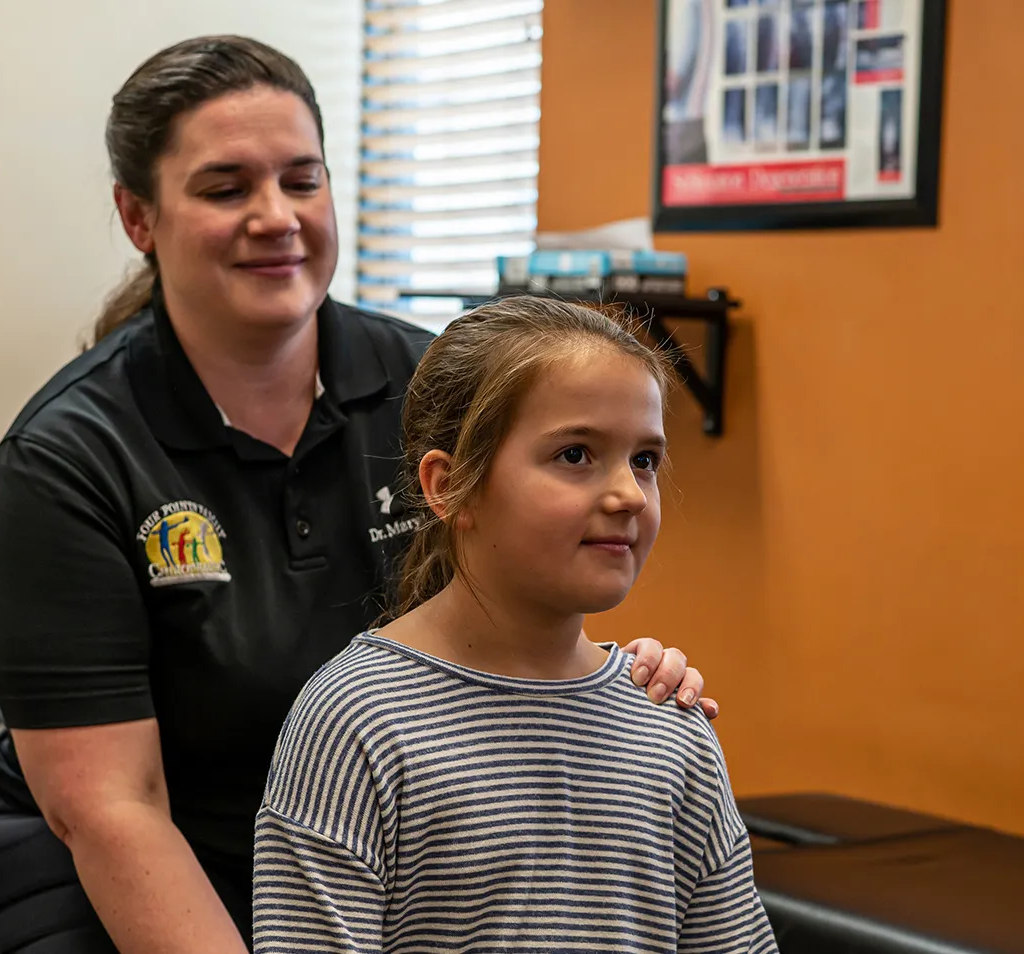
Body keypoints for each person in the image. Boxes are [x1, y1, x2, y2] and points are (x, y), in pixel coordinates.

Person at [0, 36, 712, 954]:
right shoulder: (72, 453)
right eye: (225, 187)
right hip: (94, 858)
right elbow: (112, 807)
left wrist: (615, 677)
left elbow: (528, 586)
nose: (275, 216)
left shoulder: (430, 386)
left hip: (356, 837)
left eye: (301, 179)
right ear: (137, 216)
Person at [250, 297, 777, 953]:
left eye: (643, 459)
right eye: (576, 455)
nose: (628, 495)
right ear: (450, 487)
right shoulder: (357, 720)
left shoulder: (668, 723)